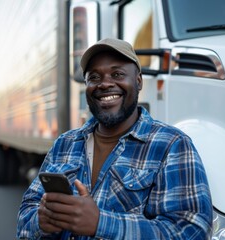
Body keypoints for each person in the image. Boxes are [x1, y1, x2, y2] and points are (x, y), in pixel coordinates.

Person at [16, 38, 213, 239]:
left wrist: (100, 223)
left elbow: (191, 230)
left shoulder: (172, 145)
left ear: (138, 81)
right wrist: (41, 222)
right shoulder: (64, 144)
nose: (105, 84)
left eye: (117, 74)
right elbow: (25, 218)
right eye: (94, 77)